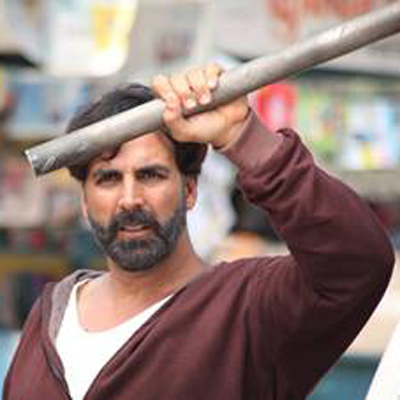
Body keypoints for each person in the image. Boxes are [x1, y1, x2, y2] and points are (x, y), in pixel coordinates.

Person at [3, 64, 394, 400]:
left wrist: (243, 137)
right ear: (86, 203)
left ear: (189, 191)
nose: (129, 199)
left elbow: (357, 263)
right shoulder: (53, 312)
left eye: (150, 175)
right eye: (108, 179)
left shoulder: (247, 309)